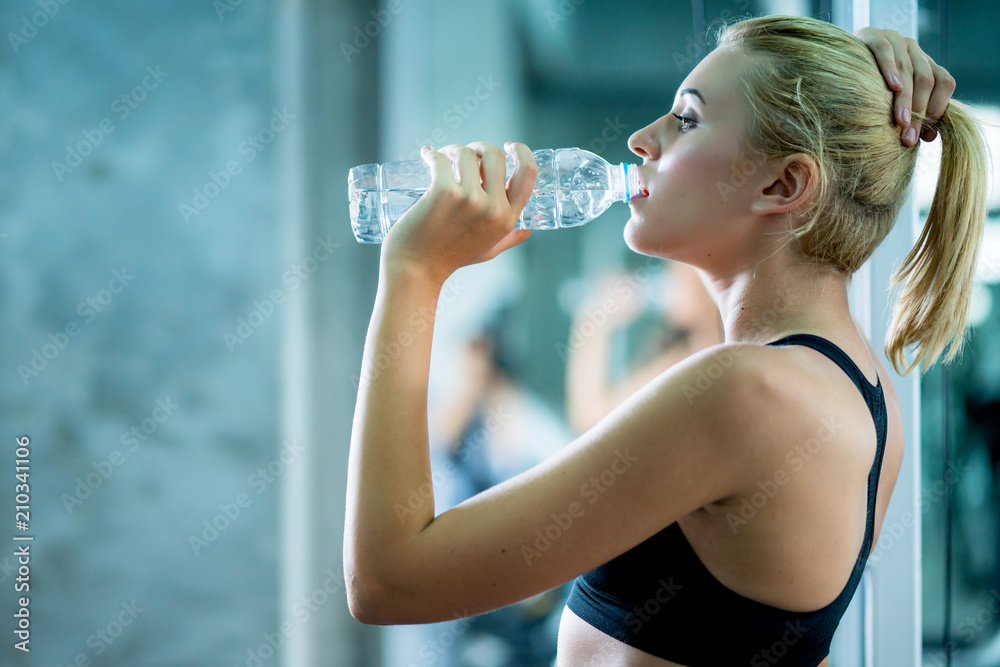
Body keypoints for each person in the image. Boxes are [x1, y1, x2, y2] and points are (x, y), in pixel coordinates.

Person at [345, 15, 987, 667]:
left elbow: (389, 579)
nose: (639, 140)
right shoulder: (861, 394)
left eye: (686, 119)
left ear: (784, 185)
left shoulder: (747, 392)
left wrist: (414, 274)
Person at [565, 262, 724, 434]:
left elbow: (594, 419)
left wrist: (595, 320)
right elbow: (593, 418)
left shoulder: (706, 356)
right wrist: (596, 321)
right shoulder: (694, 356)